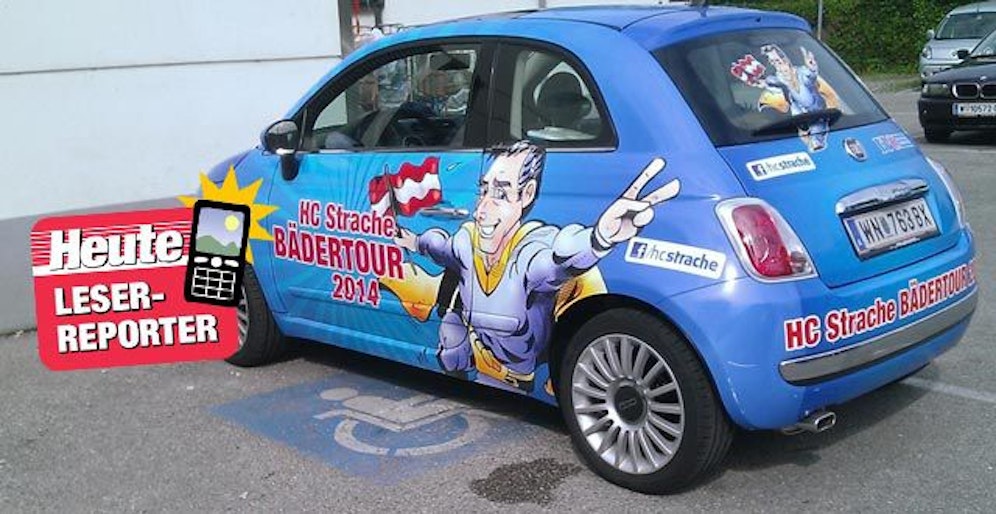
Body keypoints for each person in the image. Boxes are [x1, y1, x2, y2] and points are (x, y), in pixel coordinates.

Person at [387, 141, 679, 393]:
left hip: (513, 377)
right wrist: (414, 241)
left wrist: (599, 238)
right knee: (450, 332)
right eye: (484, 191)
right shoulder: (467, 241)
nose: (482, 210)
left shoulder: (528, 252)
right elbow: (440, 247)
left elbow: (558, 258)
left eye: (501, 194)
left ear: (527, 194)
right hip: (479, 352)